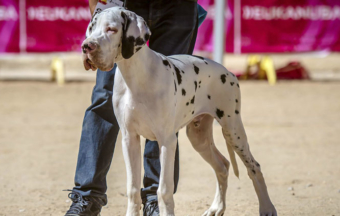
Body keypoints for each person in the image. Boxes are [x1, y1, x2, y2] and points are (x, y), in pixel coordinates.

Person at [65, 0, 204, 215]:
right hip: (123, 3)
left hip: (178, 6)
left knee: (166, 102)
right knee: (105, 96)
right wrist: (95, 25)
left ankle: (155, 200)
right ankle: (88, 196)